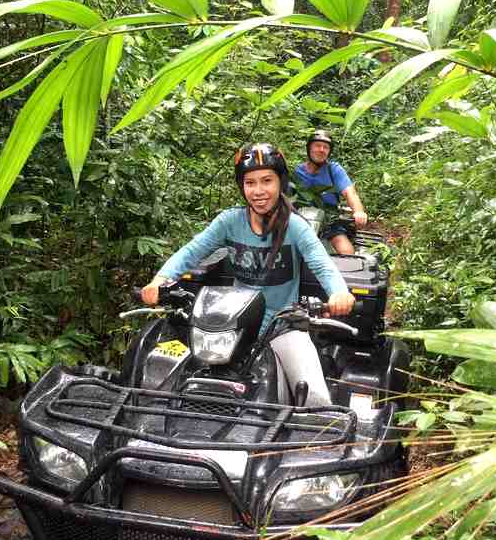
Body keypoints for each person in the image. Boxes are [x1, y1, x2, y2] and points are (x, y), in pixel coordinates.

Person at [141, 142, 355, 407]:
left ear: (281, 183)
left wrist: (338, 292)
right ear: (242, 187)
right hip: (232, 326)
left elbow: (322, 263)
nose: (258, 191)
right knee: (171, 384)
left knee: (315, 397)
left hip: (282, 326)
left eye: (267, 180)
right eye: (250, 182)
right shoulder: (229, 222)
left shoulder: (295, 227)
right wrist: (159, 280)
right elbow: (191, 251)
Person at [293, 130, 367, 255]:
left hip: (329, 222)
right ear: (309, 148)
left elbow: (350, 193)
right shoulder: (297, 172)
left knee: (344, 249)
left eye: (326, 147)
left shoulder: (334, 170)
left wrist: (359, 211)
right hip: (300, 220)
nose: (321, 150)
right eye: (317, 145)